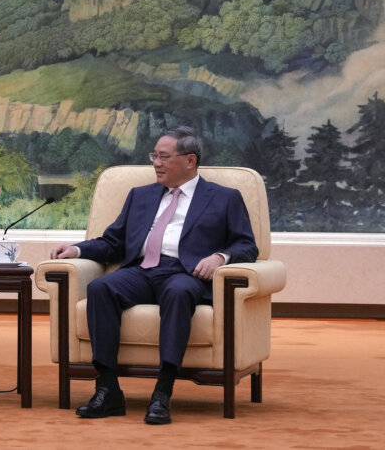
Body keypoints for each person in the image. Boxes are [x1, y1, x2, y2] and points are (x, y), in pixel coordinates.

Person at [49, 126, 257, 424]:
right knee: (101, 288)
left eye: (164, 157)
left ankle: (163, 391)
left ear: (190, 161)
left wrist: (219, 257)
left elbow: (247, 245)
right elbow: (114, 242)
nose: (156, 163)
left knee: (178, 292)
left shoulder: (224, 198)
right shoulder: (140, 196)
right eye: (154, 156)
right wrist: (77, 250)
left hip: (185, 272)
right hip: (141, 270)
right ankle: (108, 389)